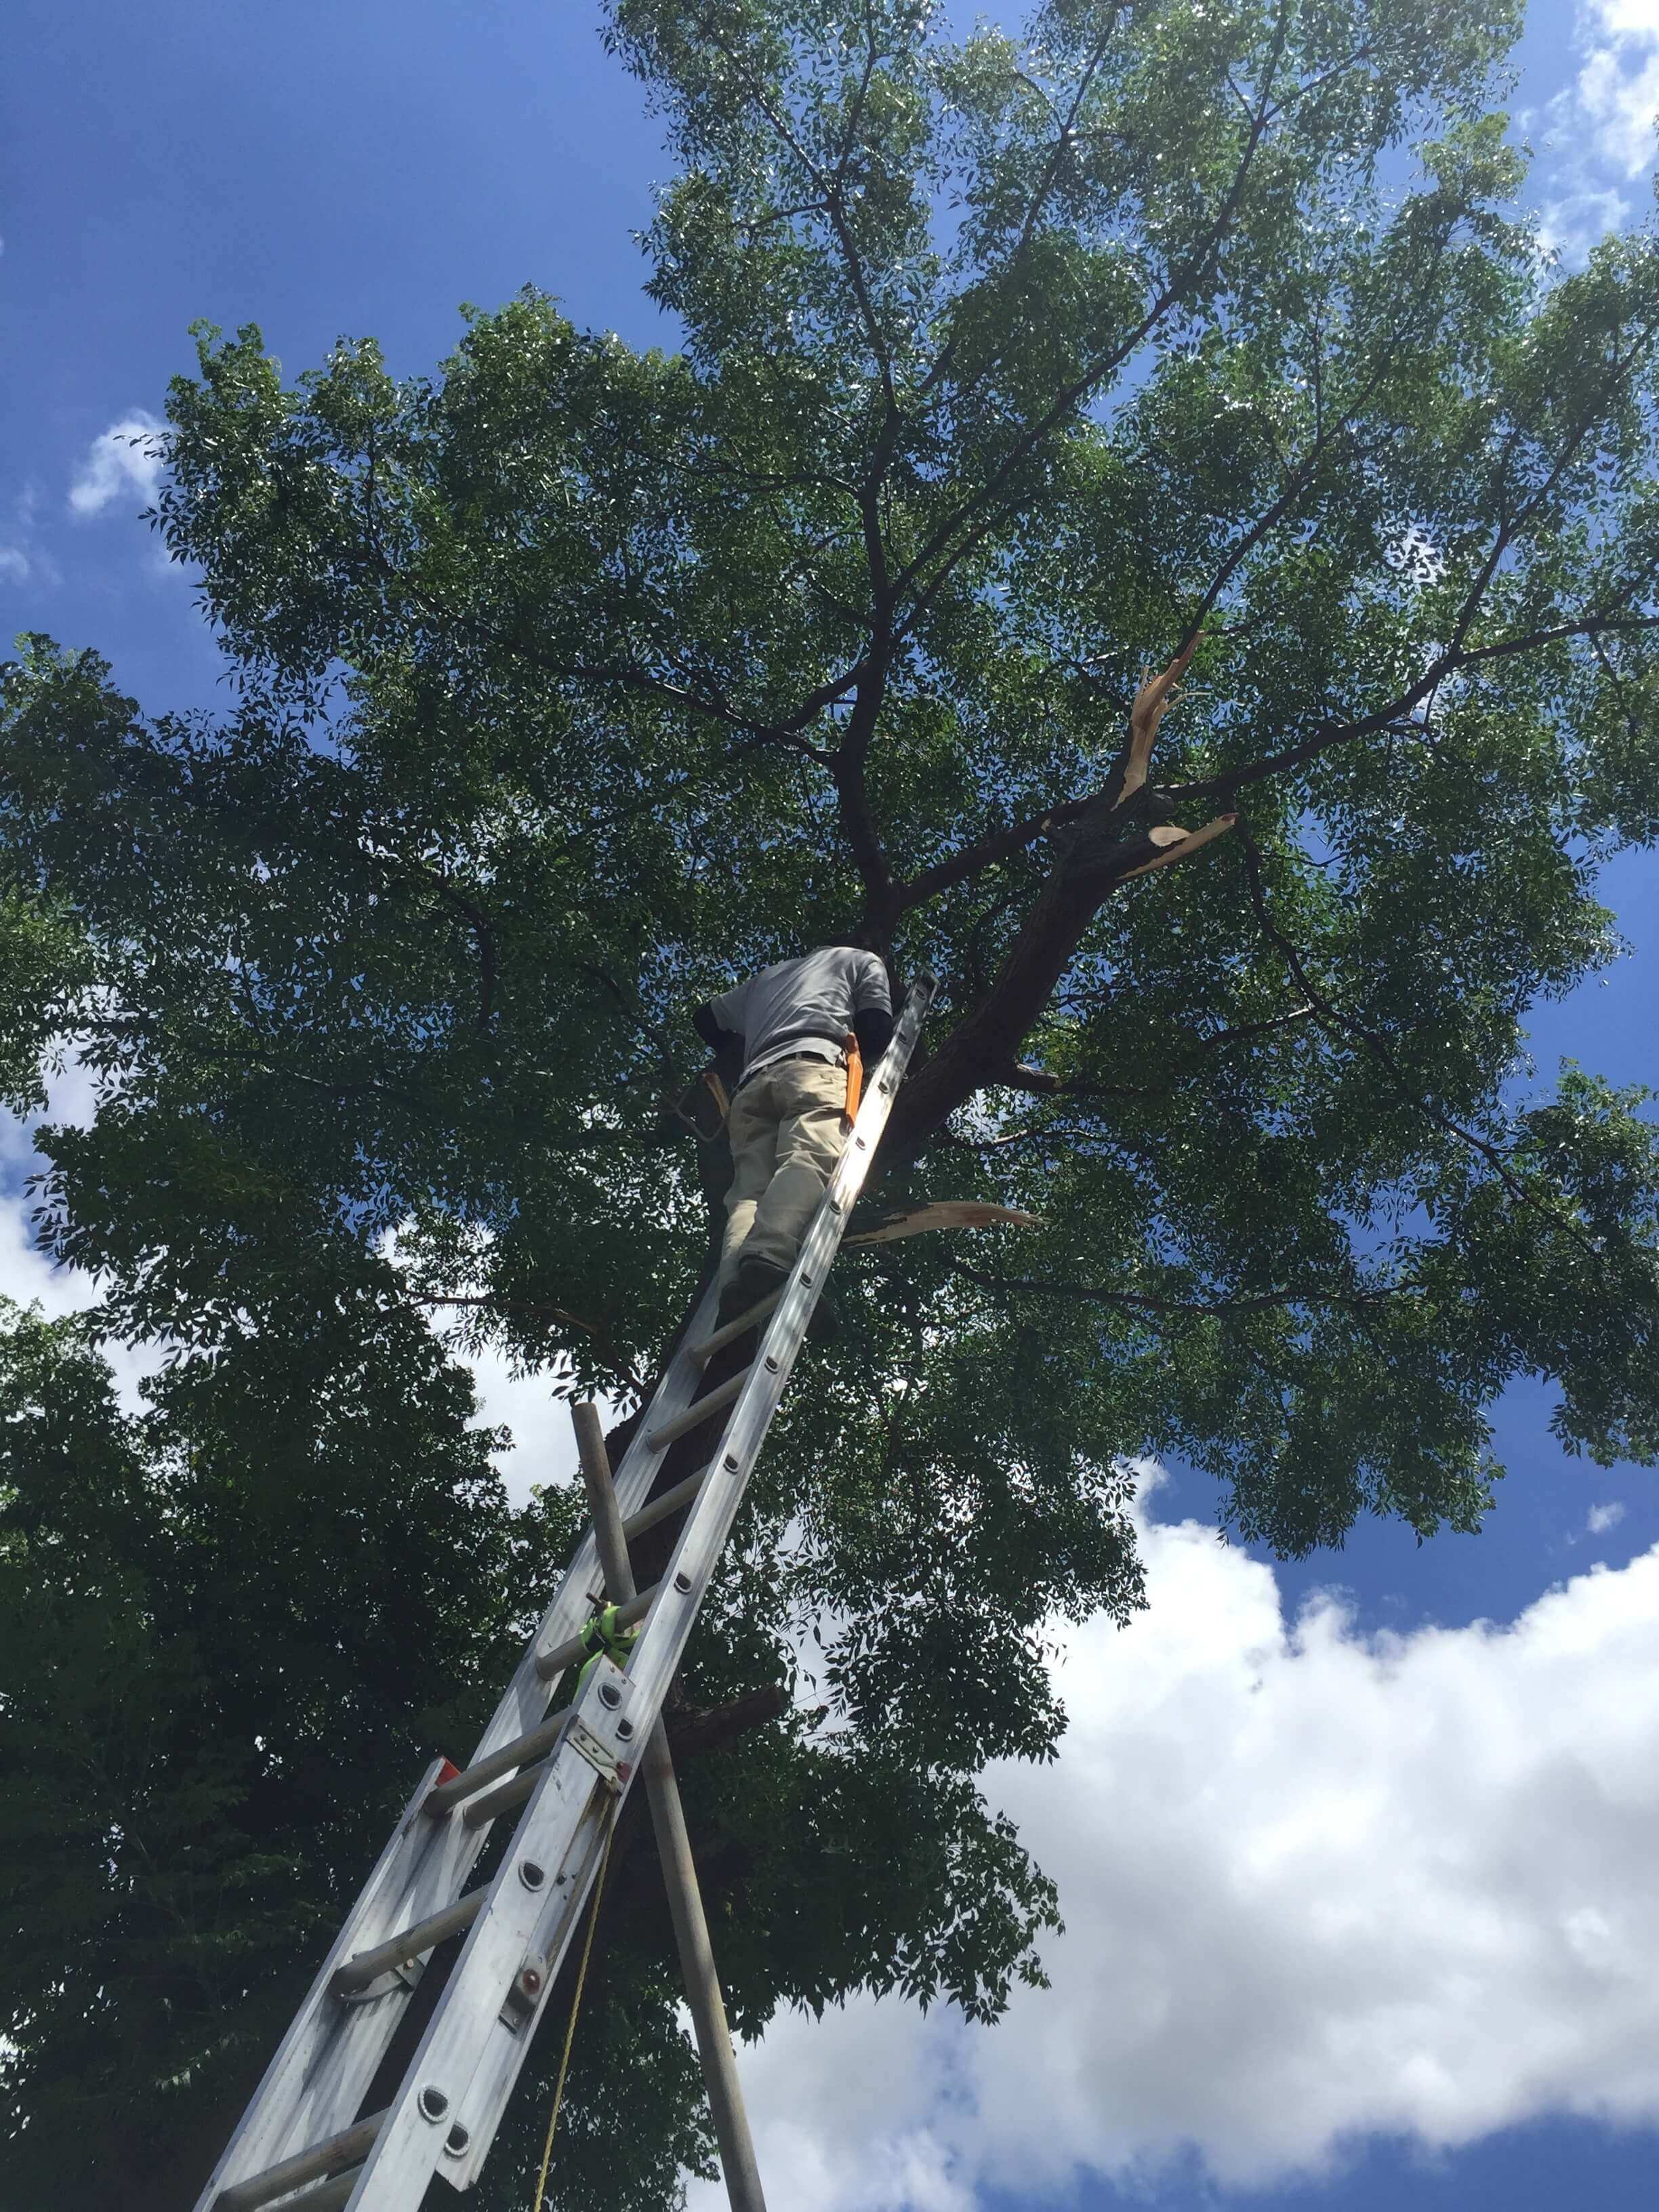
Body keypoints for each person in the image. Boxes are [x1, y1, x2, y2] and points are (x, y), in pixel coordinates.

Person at [693, 943, 895, 1324]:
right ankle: (769, 1255)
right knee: (810, 1157)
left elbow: (705, 1018)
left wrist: (749, 1045)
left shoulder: (766, 979)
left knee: (748, 1192)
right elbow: (877, 1028)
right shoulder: (861, 960)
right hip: (814, 1068)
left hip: (751, 1087)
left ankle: (735, 1281)